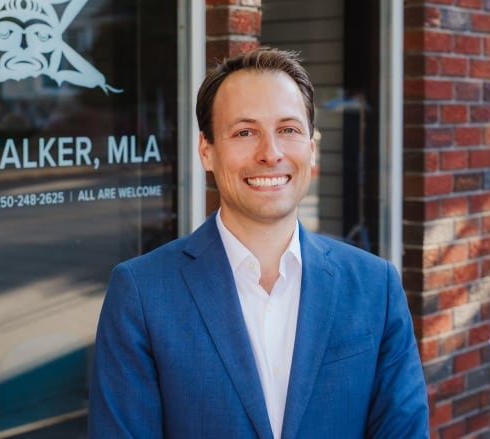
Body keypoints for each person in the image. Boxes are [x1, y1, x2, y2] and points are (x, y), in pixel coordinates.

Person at [88, 47, 429, 439]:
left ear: (312, 147)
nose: (271, 153)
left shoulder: (375, 286)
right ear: (207, 151)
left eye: (288, 129)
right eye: (245, 132)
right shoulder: (142, 293)